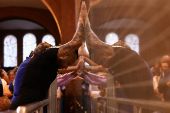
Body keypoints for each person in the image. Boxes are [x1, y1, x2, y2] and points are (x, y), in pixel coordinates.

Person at [9, 3, 86, 109]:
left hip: (30, 107)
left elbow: (64, 70)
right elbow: (77, 42)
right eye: (68, 63)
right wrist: (83, 17)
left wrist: (77, 68)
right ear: (64, 55)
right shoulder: (46, 54)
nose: (67, 66)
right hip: (20, 108)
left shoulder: (51, 65)